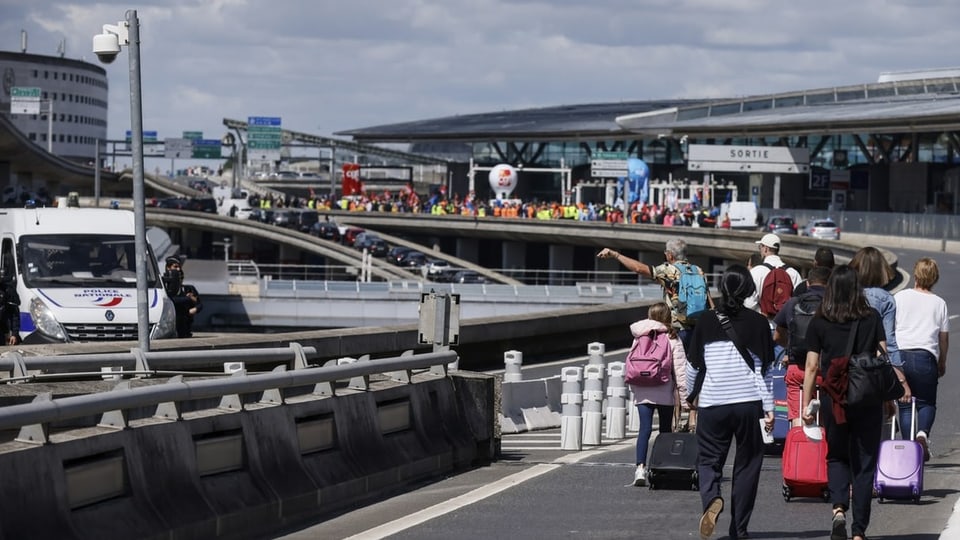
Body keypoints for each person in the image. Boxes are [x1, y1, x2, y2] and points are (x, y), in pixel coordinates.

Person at [685, 265, 775, 540]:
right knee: (748, 464)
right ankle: (740, 529)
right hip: (749, 402)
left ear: (723, 288)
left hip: (714, 402)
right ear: (748, 289)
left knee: (709, 460)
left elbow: (693, 367)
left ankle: (712, 497)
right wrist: (770, 408)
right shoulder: (760, 323)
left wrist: (691, 397)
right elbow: (766, 371)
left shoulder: (705, 321)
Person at [801, 265, 889, 540]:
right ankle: (859, 531)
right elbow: (882, 357)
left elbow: (812, 366)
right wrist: (887, 398)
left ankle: (839, 508)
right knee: (864, 463)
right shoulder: (871, 316)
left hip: (834, 395)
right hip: (865, 396)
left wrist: (807, 404)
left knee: (837, 455)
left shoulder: (820, 320)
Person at [597, 239, 713, 351]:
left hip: (678, 330)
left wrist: (616, 255)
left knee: (676, 367)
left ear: (670, 255)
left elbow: (639, 269)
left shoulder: (668, 270)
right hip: (699, 330)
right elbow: (709, 300)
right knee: (696, 368)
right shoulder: (698, 271)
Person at [894, 257, 949, 461]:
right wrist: (941, 361)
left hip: (901, 356)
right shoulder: (939, 304)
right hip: (926, 357)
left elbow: (891, 328)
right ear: (934, 278)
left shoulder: (900, 297)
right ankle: (922, 434)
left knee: (905, 403)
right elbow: (943, 337)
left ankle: (909, 449)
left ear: (915, 274)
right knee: (926, 403)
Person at [628, 302, 688, 487]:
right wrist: (685, 399)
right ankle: (662, 466)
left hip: (642, 389)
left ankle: (640, 468)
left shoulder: (639, 335)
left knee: (644, 430)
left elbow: (633, 362)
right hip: (663, 389)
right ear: (668, 317)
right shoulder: (672, 338)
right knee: (665, 432)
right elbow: (680, 371)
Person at [773, 266, 830, 425]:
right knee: (824, 420)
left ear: (807, 283)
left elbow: (777, 335)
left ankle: (800, 445)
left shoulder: (793, 303)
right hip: (823, 370)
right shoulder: (833, 305)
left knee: (799, 416)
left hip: (797, 368)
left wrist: (790, 347)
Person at [745, 233, 802, 318]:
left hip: (764, 324)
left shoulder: (756, 272)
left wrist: (763, 313)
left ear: (766, 249)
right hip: (785, 326)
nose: (760, 250)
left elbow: (749, 304)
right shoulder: (793, 273)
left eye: (760, 247)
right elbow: (798, 304)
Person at [163, 256, 203, 338]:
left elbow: (199, 304)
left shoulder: (188, 289)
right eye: (175, 267)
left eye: (179, 267)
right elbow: (171, 300)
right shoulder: (164, 286)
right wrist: (188, 299)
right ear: (168, 268)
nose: (178, 269)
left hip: (185, 325)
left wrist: (194, 308)